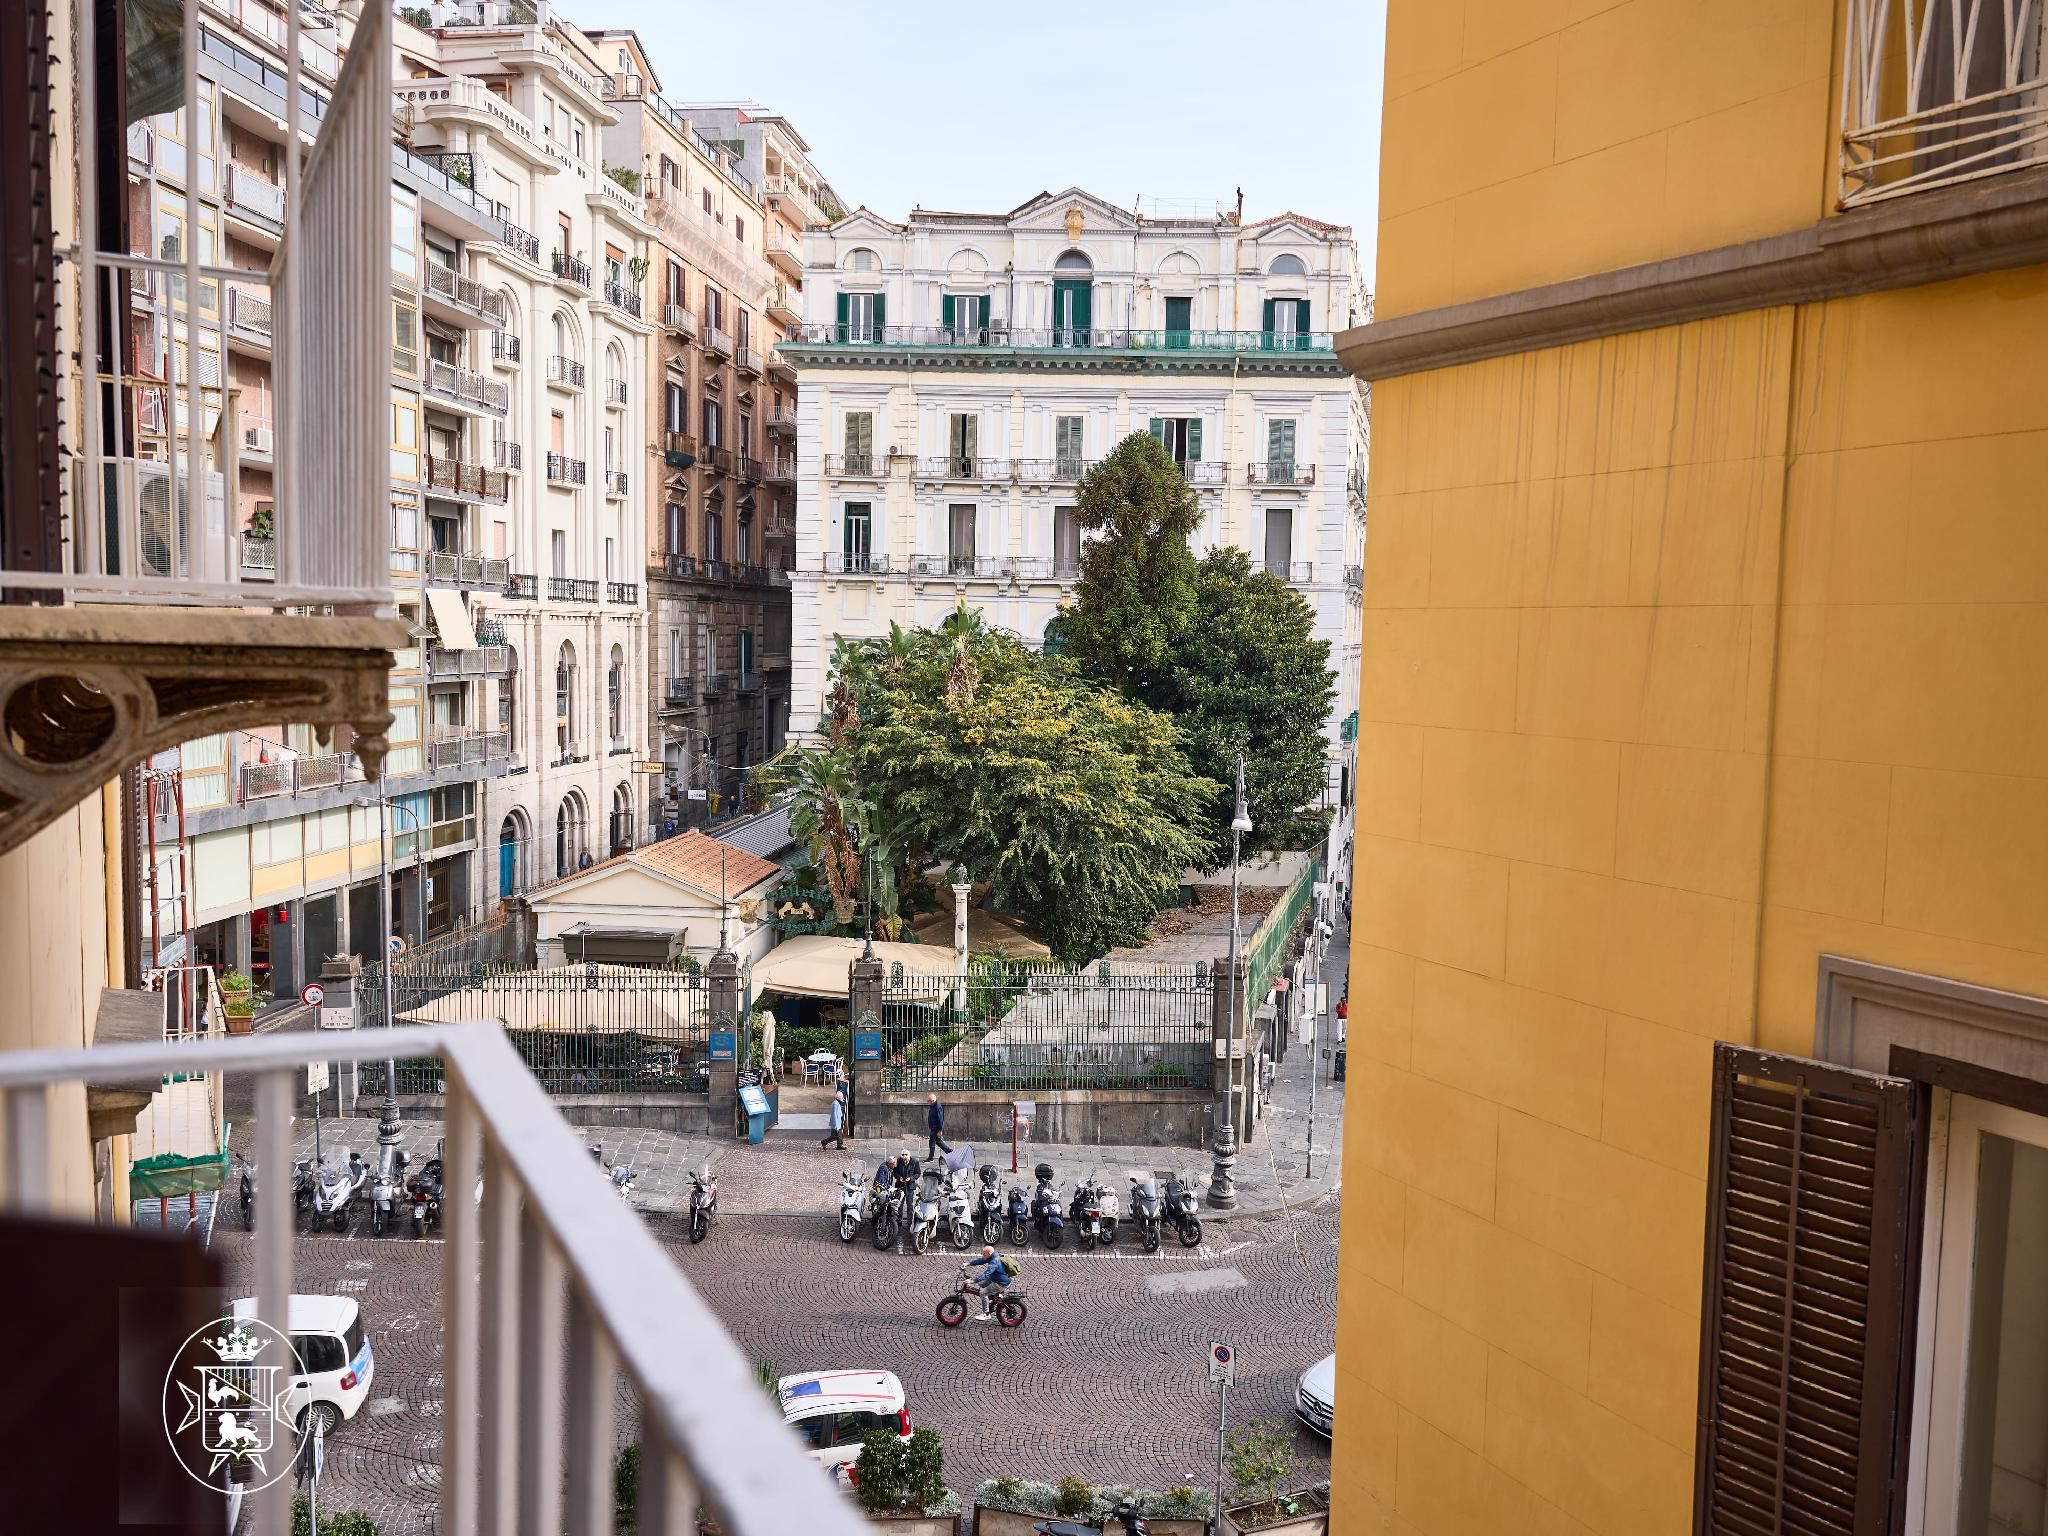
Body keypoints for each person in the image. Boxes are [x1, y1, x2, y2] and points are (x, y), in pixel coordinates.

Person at [964, 1245, 1016, 1314]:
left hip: (1000, 1282)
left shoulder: (994, 1262)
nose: (982, 1255)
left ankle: (986, 1314)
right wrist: (968, 1264)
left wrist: (972, 1281)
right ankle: (993, 1297)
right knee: (980, 1284)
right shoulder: (992, 1256)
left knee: (982, 1293)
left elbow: (986, 1274)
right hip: (995, 1278)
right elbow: (981, 1260)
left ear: (989, 1254)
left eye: (984, 1254)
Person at [820, 1083, 847, 1150]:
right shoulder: (836, 1104)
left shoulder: (837, 1103)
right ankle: (824, 1142)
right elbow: (834, 1115)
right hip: (836, 1123)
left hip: (837, 1122)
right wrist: (836, 1126)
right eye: (842, 1097)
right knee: (835, 1136)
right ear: (838, 1097)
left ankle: (839, 1145)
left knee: (839, 1135)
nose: (843, 1098)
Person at [925, 1093, 952, 1160]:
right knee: (938, 1141)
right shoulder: (933, 1106)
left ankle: (931, 1158)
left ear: (932, 1100)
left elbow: (940, 1119)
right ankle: (949, 1151)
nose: (928, 1102)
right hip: (933, 1127)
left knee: (932, 1143)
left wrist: (940, 1130)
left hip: (936, 1128)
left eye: (929, 1101)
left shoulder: (937, 1107)